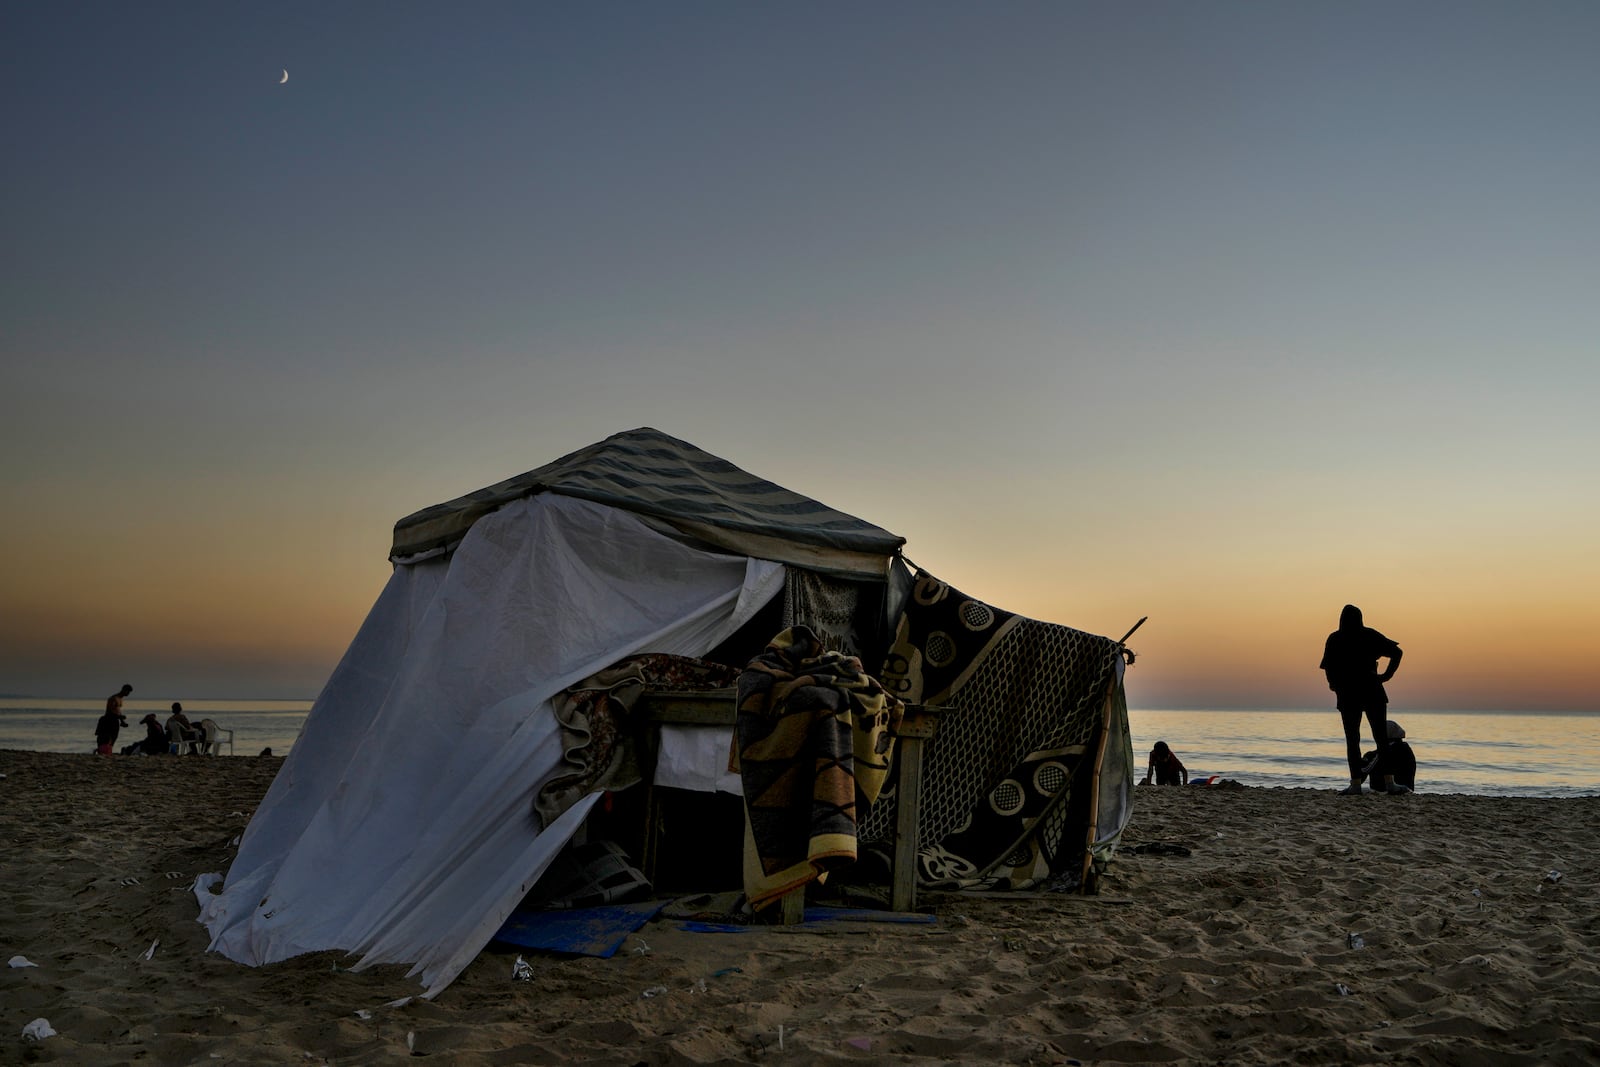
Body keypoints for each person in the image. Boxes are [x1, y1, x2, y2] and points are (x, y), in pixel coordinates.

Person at [1320, 604, 1407, 795]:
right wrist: (1385, 676)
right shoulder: (1369, 635)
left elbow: (1328, 668)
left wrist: (1334, 686)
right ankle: (1388, 783)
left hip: (1350, 694)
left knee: (1353, 740)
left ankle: (1356, 784)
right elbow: (1397, 653)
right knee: (1380, 739)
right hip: (1370, 691)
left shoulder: (1335, 638)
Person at [1361, 720, 1416, 793]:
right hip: (1408, 789)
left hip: (1384, 789)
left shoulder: (1377, 754)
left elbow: (1362, 775)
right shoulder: (1406, 749)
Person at [95, 684, 133, 754]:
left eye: (129, 692)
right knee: (106, 738)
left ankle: (109, 751)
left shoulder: (120, 699)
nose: (128, 693)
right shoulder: (113, 698)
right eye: (127, 691)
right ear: (123, 690)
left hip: (115, 721)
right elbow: (110, 711)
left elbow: (118, 711)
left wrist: (122, 721)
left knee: (114, 738)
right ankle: (102, 751)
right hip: (108, 721)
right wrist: (119, 717)